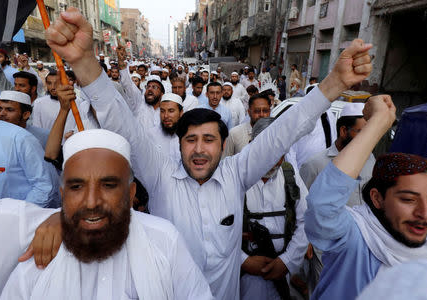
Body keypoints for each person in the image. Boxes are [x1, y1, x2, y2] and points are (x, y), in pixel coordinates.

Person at [44, 9, 373, 298]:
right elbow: (121, 120)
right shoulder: (159, 176)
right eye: (191, 140)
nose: (199, 150)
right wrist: (83, 61)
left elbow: (283, 133)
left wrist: (333, 84)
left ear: (223, 144)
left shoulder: (237, 173)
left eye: (209, 140)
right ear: (179, 143)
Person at [0, 129, 214, 300]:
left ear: (131, 194)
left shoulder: (163, 240)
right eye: (77, 187)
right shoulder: (41, 256)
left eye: (108, 185)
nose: (92, 202)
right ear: (63, 196)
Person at [305, 95, 427, 300]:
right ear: (377, 199)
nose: (424, 214)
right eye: (408, 199)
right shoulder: (355, 239)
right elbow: (322, 207)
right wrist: (379, 121)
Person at [240, 118, 309, 300]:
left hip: (283, 273)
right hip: (243, 277)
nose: (272, 160)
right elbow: (217, 227)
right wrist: (243, 261)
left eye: (278, 152)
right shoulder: (235, 176)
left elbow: (306, 221)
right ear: (251, 146)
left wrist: (286, 261)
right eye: (265, 152)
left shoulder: (290, 176)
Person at [301, 103, 375, 206]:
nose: (367, 138)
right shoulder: (315, 165)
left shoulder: (370, 158)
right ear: (344, 131)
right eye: (361, 132)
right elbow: (303, 207)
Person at [0, 93, 59, 207]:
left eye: (9, 110)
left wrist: (20, 214)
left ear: (26, 114)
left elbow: (44, 184)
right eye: (0, 109)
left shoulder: (22, 137)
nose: (2, 114)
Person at [223, 93, 272, 157]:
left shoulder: (275, 133)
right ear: (249, 112)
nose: (261, 115)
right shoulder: (234, 134)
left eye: (265, 111)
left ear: (270, 112)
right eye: (257, 111)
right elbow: (225, 162)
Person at [147, 93, 184, 160]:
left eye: (171, 111)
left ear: (181, 113)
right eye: (162, 111)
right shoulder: (151, 135)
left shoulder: (188, 135)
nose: (165, 116)